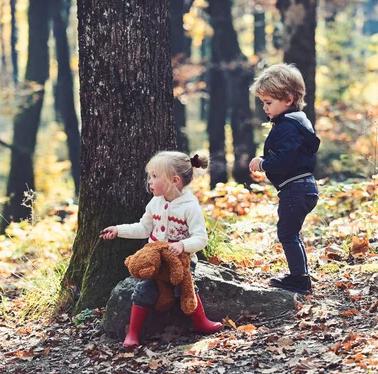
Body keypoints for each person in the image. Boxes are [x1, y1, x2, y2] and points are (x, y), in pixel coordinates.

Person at [100, 151, 222, 348]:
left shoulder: (190, 207)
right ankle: (132, 333)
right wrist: (118, 230)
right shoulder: (155, 203)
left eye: (155, 176)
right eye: (150, 176)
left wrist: (183, 245)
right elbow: (143, 228)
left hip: (181, 260)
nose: (150, 181)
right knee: (143, 290)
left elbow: (201, 238)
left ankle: (201, 322)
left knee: (183, 286)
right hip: (155, 261)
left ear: (174, 180)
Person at [248, 64, 320, 295]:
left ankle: (299, 279)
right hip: (303, 187)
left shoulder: (288, 126)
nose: (264, 108)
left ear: (288, 100)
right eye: (263, 103)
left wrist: (263, 164)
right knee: (291, 233)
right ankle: (300, 276)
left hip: (295, 189)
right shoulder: (297, 124)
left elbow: (285, 159)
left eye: (269, 103)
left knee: (287, 234)